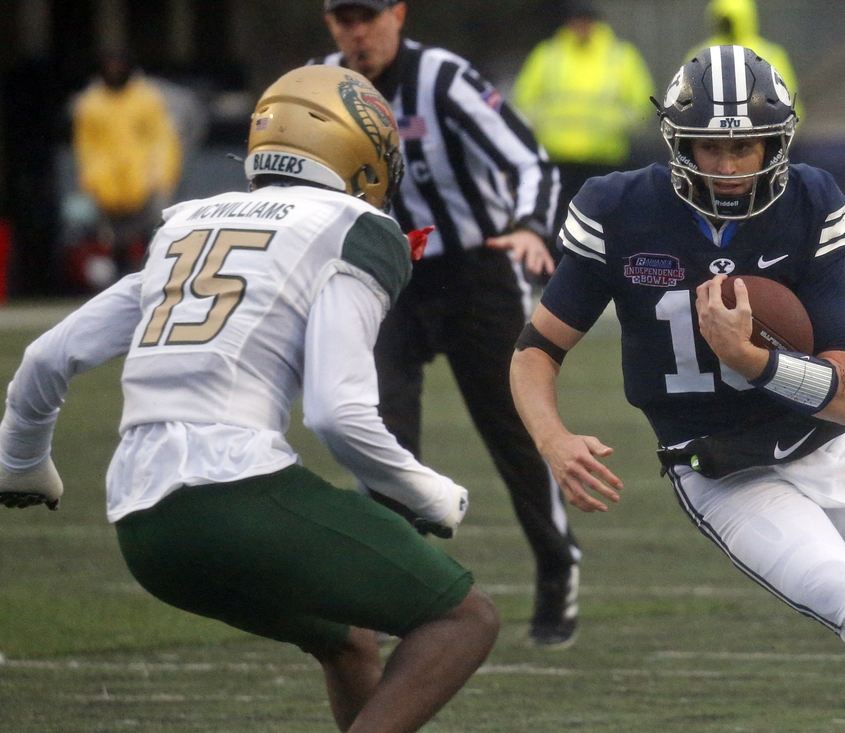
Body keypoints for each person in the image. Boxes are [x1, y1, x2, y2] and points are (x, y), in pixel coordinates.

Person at [0, 64, 499, 733]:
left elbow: (48, 356)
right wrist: (422, 489)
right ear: (358, 151)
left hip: (142, 527)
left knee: (348, 638)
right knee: (464, 619)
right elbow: (335, 411)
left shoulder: (188, 222)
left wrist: (22, 460)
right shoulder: (352, 225)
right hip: (233, 491)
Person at [509, 46, 845, 733]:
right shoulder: (617, 209)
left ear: (777, 139)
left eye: (747, 145)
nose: (731, 165)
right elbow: (535, 352)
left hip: (827, 440)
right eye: (711, 148)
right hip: (722, 464)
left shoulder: (810, 198)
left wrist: (752, 358)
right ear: (679, 142)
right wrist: (551, 438)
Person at [319, 0, 582, 648]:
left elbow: (530, 159)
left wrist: (528, 226)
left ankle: (557, 561)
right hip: (384, 276)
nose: (358, 32)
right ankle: (396, 583)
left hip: (476, 271)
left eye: (368, 16)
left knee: (514, 429)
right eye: (343, 18)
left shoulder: (442, 77)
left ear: (398, 13)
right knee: (375, 432)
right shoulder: (319, 86)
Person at [511, 1, 655, 244]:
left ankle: (602, 273)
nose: (581, 26)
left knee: (605, 221)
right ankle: (556, 270)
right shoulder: (548, 55)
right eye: (576, 20)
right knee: (559, 220)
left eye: (586, 20)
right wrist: (543, 124)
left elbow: (641, 103)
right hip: (559, 157)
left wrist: (613, 125)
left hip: (604, 158)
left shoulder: (620, 56)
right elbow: (522, 100)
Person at [71, 51, 183, 283]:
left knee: (150, 233)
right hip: (108, 184)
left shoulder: (146, 99)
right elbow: (85, 146)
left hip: (143, 180)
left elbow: (161, 138)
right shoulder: (91, 104)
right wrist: (90, 177)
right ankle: (119, 282)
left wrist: (161, 173)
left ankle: (153, 278)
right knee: (114, 239)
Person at [685, 0, 802, 118]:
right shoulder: (769, 53)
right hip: (759, 128)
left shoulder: (700, 54)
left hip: (754, 126)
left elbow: (787, 99)